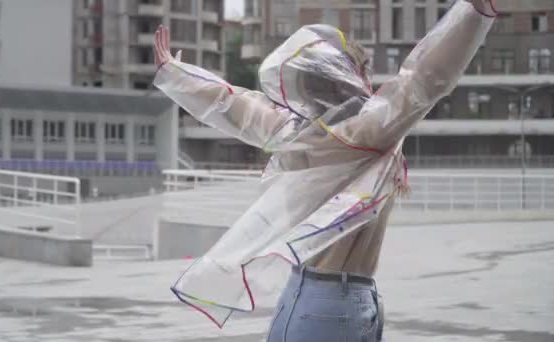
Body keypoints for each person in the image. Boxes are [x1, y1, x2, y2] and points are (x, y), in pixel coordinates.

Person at [153, 0, 497, 340]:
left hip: (310, 297)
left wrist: (174, 73)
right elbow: (425, 80)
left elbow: (232, 105)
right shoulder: (365, 134)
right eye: (363, 69)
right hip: (334, 307)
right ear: (344, 78)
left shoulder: (292, 134)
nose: (369, 79)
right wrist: (473, 13)